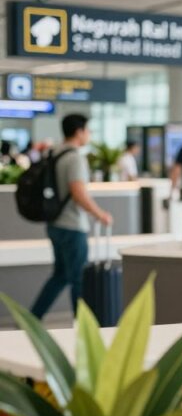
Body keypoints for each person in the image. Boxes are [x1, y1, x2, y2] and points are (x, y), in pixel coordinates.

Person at [30, 114, 113, 319]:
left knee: (60, 276)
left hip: (55, 223)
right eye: (88, 130)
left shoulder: (55, 152)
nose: (89, 134)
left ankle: (32, 317)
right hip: (72, 225)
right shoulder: (75, 157)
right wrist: (99, 213)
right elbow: (78, 192)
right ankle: (83, 327)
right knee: (79, 280)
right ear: (79, 132)